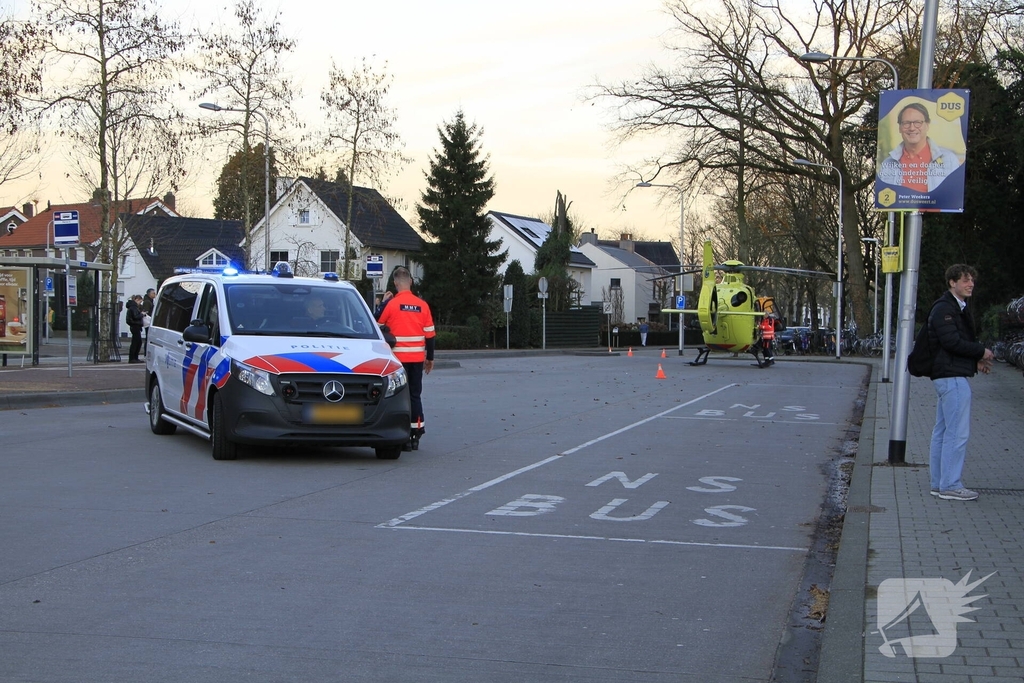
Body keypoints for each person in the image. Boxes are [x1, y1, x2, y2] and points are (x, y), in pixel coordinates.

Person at [926, 264, 994, 501]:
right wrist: (980, 353)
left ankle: (939, 483)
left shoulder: (952, 307)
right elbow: (952, 342)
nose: (970, 284)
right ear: (952, 283)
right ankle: (950, 484)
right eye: (965, 280)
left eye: (972, 280)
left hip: (948, 375)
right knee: (956, 432)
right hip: (951, 378)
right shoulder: (947, 309)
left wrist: (974, 361)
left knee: (943, 431)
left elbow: (950, 346)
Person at [376, 267, 435, 450]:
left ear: (395, 284)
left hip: (396, 362)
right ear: (410, 282)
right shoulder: (422, 305)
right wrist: (430, 358)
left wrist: (382, 304)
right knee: (415, 395)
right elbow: (430, 335)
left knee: (398, 396)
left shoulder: (391, 305)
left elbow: (375, 326)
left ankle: (401, 435)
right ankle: (416, 433)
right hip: (417, 359)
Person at [878, 102, 963, 192]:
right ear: (900, 128)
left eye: (918, 122)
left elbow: (954, 197)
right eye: (906, 123)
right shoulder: (887, 165)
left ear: (927, 125)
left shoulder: (949, 160)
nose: (912, 128)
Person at [125, 294, 145, 363]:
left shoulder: (132, 307)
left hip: (134, 326)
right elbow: (136, 316)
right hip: (135, 326)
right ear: (137, 300)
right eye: (140, 301)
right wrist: (142, 314)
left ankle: (134, 357)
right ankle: (133, 358)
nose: (140, 303)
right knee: (136, 342)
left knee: (137, 342)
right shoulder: (134, 307)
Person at [141, 288, 156, 356]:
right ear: (149, 294)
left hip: (149, 321)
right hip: (148, 321)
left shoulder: (150, 301)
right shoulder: (147, 302)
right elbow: (146, 312)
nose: (154, 294)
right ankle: (146, 353)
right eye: (153, 293)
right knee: (148, 337)